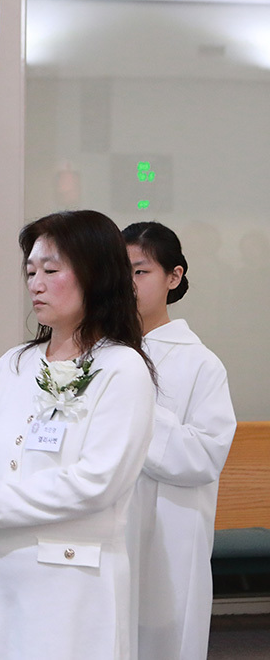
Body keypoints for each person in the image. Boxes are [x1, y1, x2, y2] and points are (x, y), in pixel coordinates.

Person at [0, 210, 155, 660]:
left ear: (96, 274)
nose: (35, 284)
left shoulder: (122, 368)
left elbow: (96, 483)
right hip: (2, 572)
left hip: (73, 580)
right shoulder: (15, 363)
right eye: (30, 272)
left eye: (51, 271)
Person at [123, 221, 236, 660]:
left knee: (162, 639)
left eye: (140, 271)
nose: (128, 284)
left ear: (174, 276)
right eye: (121, 272)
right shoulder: (97, 353)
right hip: (104, 525)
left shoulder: (200, 363)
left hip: (168, 530)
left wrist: (132, 410)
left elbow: (204, 455)